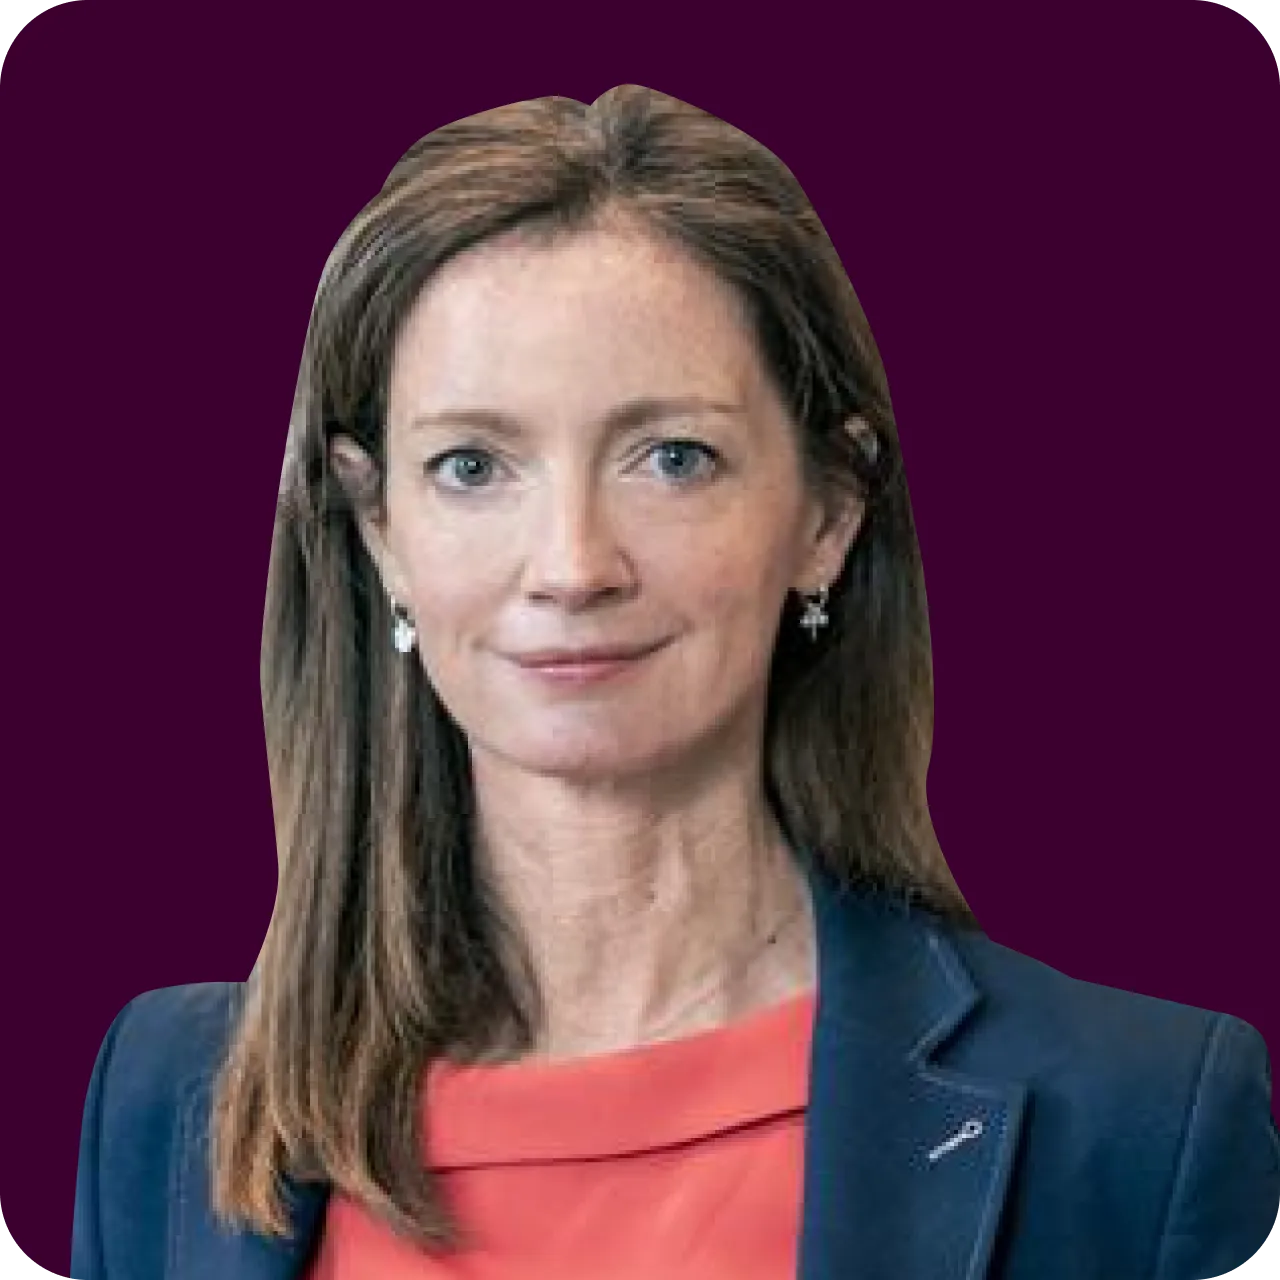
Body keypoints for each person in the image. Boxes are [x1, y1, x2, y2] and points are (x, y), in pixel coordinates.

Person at [70, 85, 1279, 1280]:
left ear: (828, 509)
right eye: (472, 465)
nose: (572, 564)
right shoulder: (166, 1098)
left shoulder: (1138, 1124)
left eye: (671, 457)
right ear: (378, 527)